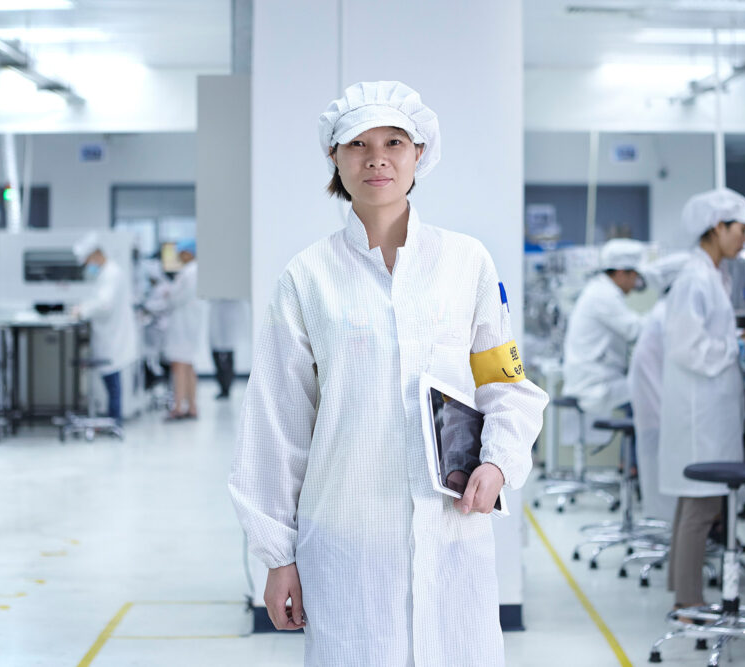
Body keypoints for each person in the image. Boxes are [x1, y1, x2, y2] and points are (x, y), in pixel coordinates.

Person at [228, 81, 548, 666]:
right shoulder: (307, 277)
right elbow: (276, 422)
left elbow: (504, 382)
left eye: (394, 142)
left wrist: (500, 461)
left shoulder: (467, 263)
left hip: (451, 530)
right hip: (347, 537)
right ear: (335, 157)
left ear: (419, 153)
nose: (377, 158)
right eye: (358, 144)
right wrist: (277, 555)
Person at [658, 189, 745, 614]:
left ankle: (682, 591)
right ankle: (689, 603)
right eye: (741, 229)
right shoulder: (696, 279)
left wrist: (739, 339)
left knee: (695, 503)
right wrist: (740, 346)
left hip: (707, 409)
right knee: (702, 507)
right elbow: (688, 348)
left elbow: (707, 337)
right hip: (699, 412)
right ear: (718, 227)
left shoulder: (713, 275)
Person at [562, 239, 646, 460]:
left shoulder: (601, 291)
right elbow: (635, 329)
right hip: (596, 384)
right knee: (649, 397)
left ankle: (629, 464)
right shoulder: (603, 296)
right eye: (634, 276)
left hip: (597, 379)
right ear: (621, 273)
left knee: (642, 394)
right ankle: (634, 466)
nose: (636, 283)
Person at [628, 252, 690, 522]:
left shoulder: (665, 310)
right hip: (657, 400)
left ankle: (670, 522)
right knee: (664, 465)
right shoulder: (670, 312)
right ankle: (671, 525)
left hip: (654, 396)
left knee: (659, 464)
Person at [72, 234, 137, 425]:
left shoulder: (111, 273)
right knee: (111, 380)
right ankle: (112, 419)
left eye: (88, 261)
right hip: (110, 333)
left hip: (113, 335)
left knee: (112, 380)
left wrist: (82, 310)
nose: (88, 265)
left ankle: (114, 421)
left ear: (96, 254)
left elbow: (104, 304)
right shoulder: (107, 273)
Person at [163, 239, 203, 420]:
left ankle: (179, 407)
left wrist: (168, 294)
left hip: (183, 325)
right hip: (189, 323)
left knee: (179, 365)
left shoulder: (190, 272)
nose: (179, 256)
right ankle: (192, 407)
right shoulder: (193, 271)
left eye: (181, 252)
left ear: (189, 253)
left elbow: (176, 298)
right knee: (187, 365)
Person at [208, 299, 246, 399]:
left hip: (231, 316)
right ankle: (222, 387)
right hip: (217, 313)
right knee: (217, 355)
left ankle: (226, 388)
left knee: (229, 357)